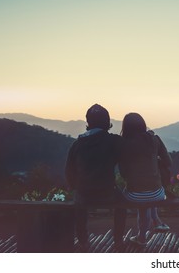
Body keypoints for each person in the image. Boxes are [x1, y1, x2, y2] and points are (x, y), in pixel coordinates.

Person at [65, 104, 127, 251]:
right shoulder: (113, 141)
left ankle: (83, 241)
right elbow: (127, 156)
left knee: (79, 205)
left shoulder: (77, 144)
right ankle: (118, 240)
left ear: (88, 122)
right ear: (107, 122)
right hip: (107, 193)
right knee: (122, 205)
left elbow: (69, 170)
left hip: (84, 193)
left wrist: (75, 187)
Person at [119, 112, 172, 246]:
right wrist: (155, 162)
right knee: (149, 192)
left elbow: (123, 173)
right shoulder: (154, 139)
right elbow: (168, 162)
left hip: (134, 195)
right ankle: (155, 221)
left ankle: (141, 238)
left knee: (140, 197)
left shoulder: (123, 144)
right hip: (158, 194)